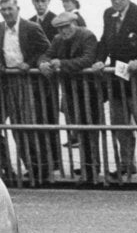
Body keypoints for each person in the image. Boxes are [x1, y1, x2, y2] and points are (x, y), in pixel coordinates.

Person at [92, 0, 137, 181]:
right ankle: (126, 164)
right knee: (120, 126)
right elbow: (105, 41)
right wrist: (98, 60)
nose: (116, 1)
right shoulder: (108, 15)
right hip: (117, 80)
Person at [0, 0, 52, 180]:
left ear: (17, 8)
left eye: (10, 8)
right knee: (17, 126)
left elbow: (47, 49)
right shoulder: (0, 27)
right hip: (9, 81)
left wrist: (30, 63)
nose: (7, 12)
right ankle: (29, 166)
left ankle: (41, 169)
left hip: (27, 81)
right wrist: (0, 63)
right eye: (3, 9)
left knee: (30, 124)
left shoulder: (31, 27)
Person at [39, 11, 100, 184]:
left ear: (74, 23)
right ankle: (87, 165)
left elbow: (88, 59)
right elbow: (47, 54)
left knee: (91, 129)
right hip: (70, 92)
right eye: (59, 29)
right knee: (79, 130)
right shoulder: (58, 40)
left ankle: (93, 168)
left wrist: (62, 64)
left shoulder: (87, 35)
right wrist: (43, 63)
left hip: (89, 90)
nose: (63, 31)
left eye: (66, 27)